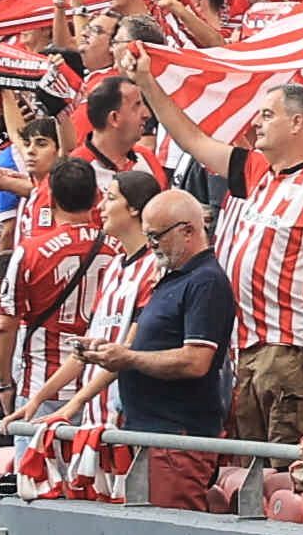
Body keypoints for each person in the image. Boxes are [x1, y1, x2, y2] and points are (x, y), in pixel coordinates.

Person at [99, 187, 240, 512]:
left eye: (156, 236)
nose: (150, 246)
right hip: (154, 435)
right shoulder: (177, 279)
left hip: (176, 439)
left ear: (187, 231)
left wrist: (129, 358)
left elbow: (196, 361)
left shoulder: (205, 282)